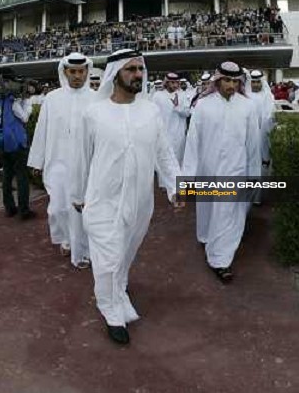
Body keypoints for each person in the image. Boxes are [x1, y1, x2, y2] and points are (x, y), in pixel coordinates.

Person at [75, 49, 182, 345]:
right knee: (107, 258)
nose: (138, 74)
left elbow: (164, 152)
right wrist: (77, 194)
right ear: (115, 74)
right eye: (131, 69)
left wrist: (176, 187)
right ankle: (110, 310)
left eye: (140, 69)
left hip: (139, 202)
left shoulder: (150, 111)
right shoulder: (94, 113)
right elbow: (81, 159)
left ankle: (117, 288)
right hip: (102, 200)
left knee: (124, 254)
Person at [182, 62, 260, 282]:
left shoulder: (247, 107)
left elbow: (252, 144)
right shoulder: (203, 106)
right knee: (208, 211)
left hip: (236, 170)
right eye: (227, 80)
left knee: (229, 215)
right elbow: (192, 143)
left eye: (236, 81)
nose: (231, 85)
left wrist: (254, 177)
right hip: (208, 170)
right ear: (218, 81)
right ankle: (207, 237)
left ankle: (220, 260)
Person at [28, 53, 96, 268]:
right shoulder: (52, 98)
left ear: (87, 71)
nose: (77, 76)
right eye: (72, 71)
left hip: (87, 165)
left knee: (84, 208)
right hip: (58, 162)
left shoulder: (96, 98)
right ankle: (66, 239)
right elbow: (41, 131)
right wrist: (36, 162)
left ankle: (83, 250)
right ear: (64, 72)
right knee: (58, 207)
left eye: (81, 71)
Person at [0, 70, 36, 221]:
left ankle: (9, 208)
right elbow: (24, 118)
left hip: (1, 140)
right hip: (16, 142)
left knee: (7, 175)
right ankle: (24, 210)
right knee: (22, 176)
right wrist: (26, 104)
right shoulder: (12, 99)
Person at [151, 72, 191, 164]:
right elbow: (153, 115)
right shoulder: (157, 96)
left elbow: (187, 113)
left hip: (178, 136)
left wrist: (177, 107)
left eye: (176, 82)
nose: (175, 85)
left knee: (177, 163)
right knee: (164, 164)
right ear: (167, 83)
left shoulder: (182, 95)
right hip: (163, 136)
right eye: (172, 83)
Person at [245, 69, 275, 176]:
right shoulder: (245, 96)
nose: (255, 84)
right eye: (253, 82)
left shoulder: (268, 96)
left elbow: (268, 118)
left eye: (258, 82)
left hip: (262, 134)